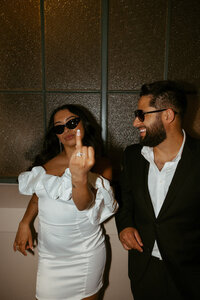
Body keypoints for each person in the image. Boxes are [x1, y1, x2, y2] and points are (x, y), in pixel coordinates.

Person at [13, 104, 118, 300]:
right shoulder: (47, 163)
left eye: (71, 122)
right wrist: (25, 222)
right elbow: (39, 195)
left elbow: (85, 205)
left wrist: (79, 178)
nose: (66, 130)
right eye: (59, 127)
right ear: (56, 134)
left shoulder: (102, 164)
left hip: (85, 254)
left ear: (84, 124)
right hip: (50, 257)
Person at [115, 80, 200, 300]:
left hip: (190, 274)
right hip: (144, 270)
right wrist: (125, 226)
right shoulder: (132, 156)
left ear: (168, 115)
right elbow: (125, 197)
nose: (135, 122)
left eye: (142, 114)